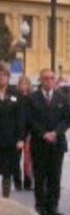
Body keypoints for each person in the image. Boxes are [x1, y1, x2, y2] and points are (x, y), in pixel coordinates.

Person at [28, 68, 70, 215]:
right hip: (39, 143)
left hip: (56, 144)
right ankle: (40, 205)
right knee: (39, 176)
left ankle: (53, 205)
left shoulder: (62, 98)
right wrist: (43, 134)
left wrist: (55, 133)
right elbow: (31, 120)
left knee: (55, 176)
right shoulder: (32, 98)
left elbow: (66, 119)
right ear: (40, 80)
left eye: (51, 78)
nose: (49, 81)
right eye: (45, 78)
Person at [0, 64, 24, 198]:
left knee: (7, 172)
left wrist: (20, 138)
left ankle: (5, 201)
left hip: (10, 141)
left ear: (8, 77)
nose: (1, 77)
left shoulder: (15, 94)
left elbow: (20, 118)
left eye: (4, 74)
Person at [13, 75, 33, 191]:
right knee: (16, 159)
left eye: (25, 83)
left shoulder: (32, 98)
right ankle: (17, 182)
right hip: (17, 133)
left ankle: (28, 181)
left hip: (29, 133)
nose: (23, 85)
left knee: (28, 160)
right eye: (21, 83)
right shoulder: (15, 98)